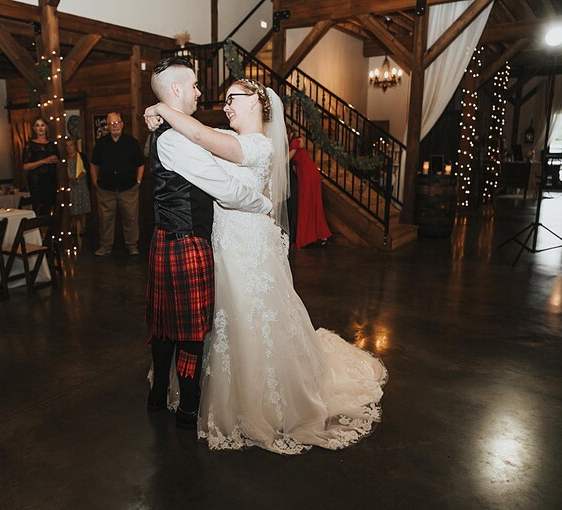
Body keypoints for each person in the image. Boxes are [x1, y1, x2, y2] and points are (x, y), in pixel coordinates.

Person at [144, 78, 387, 454]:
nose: (226, 106)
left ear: (256, 101)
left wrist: (161, 107)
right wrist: (157, 112)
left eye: (232, 99)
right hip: (219, 242)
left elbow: (201, 136)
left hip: (247, 243)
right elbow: (198, 135)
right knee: (218, 319)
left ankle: (260, 400)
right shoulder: (229, 137)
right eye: (224, 100)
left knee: (251, 315)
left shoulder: (257, 145)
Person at [145, 58, 273, 429]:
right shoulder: (176, 139)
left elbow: (204, 135)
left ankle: (160, 396)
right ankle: (187, 408)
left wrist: (155, 109)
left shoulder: (175, 131)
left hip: (173, 238)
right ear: (177, 89)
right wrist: (265, 204)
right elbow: (225, 189)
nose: (201, 93)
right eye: (195, 85)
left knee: (166, 323)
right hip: (186, 241)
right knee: (188, 329)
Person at [89, 112, 144, 256]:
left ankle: (132, 245)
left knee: (131, 219)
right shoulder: (101, 144)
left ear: (122, 124)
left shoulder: (132, 142)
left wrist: (138, 182)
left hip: (129, 189)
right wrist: (95, 182)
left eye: (117, 123)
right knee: (105, 220)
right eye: (111, 124)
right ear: (107, 126)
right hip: (106, 190)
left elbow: (140, 164)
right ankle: (105, 246)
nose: (114, 126)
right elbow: (94, 164)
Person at [289, 130, 331, 248]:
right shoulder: (296, 142)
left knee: (307, 204)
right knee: (312, 203)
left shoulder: (295, 142)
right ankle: (319, 235)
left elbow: (288, 158)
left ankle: (310, 236)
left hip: (307, 174)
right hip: (306, 173)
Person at [22, 117, 59, 216]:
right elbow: (25, 166)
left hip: (51, 179)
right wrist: (44, 161)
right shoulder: (30, 145)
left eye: (42, 125)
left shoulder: (52, 144)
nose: (40, 128)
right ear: (34, 128)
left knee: (51, 206)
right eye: (37, 125)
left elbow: (58, 162)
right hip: (37, 181)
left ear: (46, 127)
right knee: (39, 208)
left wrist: (55, 160)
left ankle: (50, 225)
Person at [65, 138, 91, 244]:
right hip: (70, 185)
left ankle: (83, 226)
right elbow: (64, 171)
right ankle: (74, 226)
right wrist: (70, 179)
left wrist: (78, 178)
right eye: (67, 146)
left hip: (81, 184)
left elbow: (86, 169)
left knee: (82, 205)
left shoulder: (81, 156)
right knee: (73, 206)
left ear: (74, 146)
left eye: (71, 145)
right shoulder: (65, 159)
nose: (69, 148)